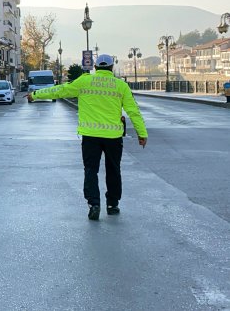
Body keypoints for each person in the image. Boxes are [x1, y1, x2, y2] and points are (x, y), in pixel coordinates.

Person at [27, 54, 148, 221]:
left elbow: (60, 90)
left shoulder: (84, 81)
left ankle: (94, 204)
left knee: (91, 170)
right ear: (112, 69)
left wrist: (35, 94)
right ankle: (112, 205)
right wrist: (142, 134)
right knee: (113, 170)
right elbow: (133, 111)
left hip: (90, 136)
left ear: (96, 68)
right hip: (113, 137)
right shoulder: (121, 86)